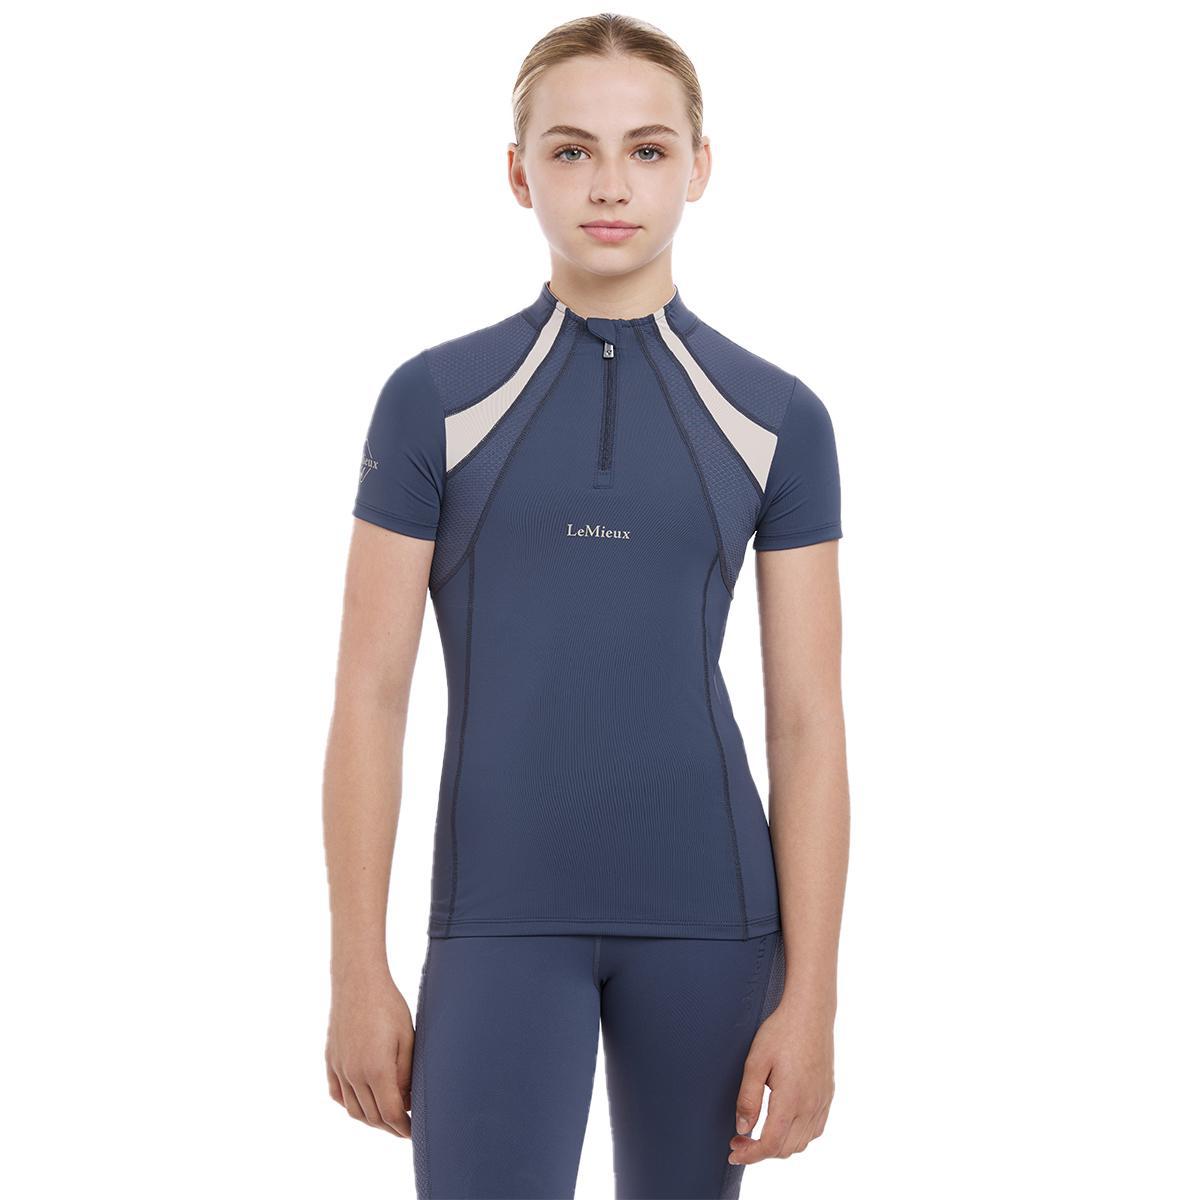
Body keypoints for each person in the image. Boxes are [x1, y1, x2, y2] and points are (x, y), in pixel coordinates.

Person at [323, 14, 850, 1199]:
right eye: (571, 150)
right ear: (519, 173)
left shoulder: (778, 416)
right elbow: (370, 693)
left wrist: (812, 997)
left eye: (647, 150)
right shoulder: (433, 399)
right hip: (498, 918)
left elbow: (809, 722)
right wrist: (358, 968)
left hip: (713, 922)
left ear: (699, 167)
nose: (611, 184)